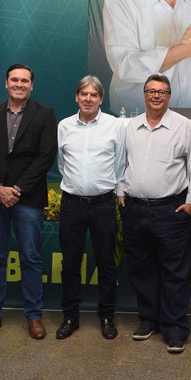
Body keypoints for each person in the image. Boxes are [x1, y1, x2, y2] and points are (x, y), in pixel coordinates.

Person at [0, 64, 58, 340]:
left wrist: (16, 189)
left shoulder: (45, 114)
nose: (19, 84)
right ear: (6, 83)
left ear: (32, 85)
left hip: (27, 197)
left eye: (25, 80)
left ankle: (34, 316)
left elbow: (46, 156)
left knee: (31, 257)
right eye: (14, 80)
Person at [117, 74, 191, 353]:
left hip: (171, 211)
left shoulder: (183, 126)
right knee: (142, 270)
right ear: (144, 95)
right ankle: (148, 320)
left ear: (169, 96)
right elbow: (121, 163)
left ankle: (174, 329)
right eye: (151, 91)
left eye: (162, 92)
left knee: (175, 272)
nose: (156, 96)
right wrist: (120, 191)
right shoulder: (131, 127)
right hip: (135, 210)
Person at [55, 75, 126, 340]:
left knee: (106, 263)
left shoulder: (114, 125)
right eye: (84, 94)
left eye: (94, 95)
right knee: (70, 263)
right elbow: (62, 163)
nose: (88, 99)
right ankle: (70, 316)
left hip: (103, 205)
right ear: (76, 97)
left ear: (101, 99)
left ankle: (106, 316)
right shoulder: (64, 126)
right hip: (72, 204)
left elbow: (120, 164)